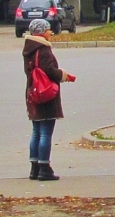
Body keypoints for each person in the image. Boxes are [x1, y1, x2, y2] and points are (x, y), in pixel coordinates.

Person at [22, 18, 76, 181]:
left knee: (36, 132)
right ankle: (44, 168)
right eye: (47, 29)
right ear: (41, 32)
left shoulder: (29, 49)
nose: (50, 32)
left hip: (33, 92)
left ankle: (34, 168)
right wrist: (64, 75)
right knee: (45, 132)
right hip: (45, 94)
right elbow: (49, 71)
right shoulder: (43, 49)